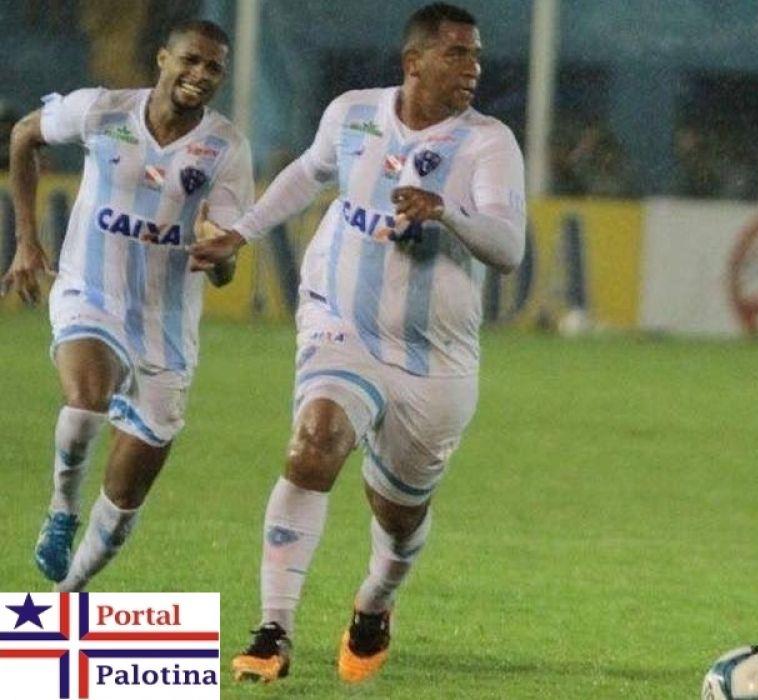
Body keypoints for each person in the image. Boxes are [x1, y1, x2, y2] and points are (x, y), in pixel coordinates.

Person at [191, 2, 525, 684]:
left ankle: (375, 600)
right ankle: (273, 630)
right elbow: (308, 173)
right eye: (457, 53)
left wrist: (447, 213)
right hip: (341, 320)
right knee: (314, 444)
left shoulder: (488, 143)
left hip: (434, 356)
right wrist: (242, 233)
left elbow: (508, 248)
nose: (473, 67)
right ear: (414, 62)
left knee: (398, 514)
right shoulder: (354, 113)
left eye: (477, 55)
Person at [1, 20, 253, 592]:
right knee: (87, 397)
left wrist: (218, 252)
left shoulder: (226, 148)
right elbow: (23, 136)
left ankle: (67, 599)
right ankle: (62, 509)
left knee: (123, 500)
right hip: (91, 294)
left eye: (213, 67)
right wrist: (26, 239)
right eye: (190, 60)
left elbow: (226, 268)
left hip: (166, 331)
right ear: (163, 59)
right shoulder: (102, 110)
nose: (200, 74)